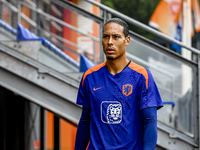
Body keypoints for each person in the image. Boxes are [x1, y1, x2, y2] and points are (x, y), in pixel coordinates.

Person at [75, 18, 163, 150]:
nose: (110, 42)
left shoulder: (142, 76)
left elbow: (150, 122)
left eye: (116, 37)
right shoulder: (89, 76)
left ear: (127, 41)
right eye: (106, 37)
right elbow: (85, 120)